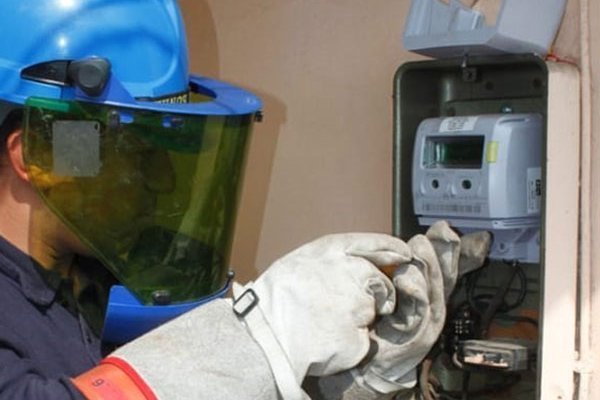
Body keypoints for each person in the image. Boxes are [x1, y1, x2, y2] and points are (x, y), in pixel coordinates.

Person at [0, 1, 491, 399]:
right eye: (134, 152)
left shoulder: (98, 280)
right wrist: (263, 336)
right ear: (42, 155)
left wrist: (331, 374)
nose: (160, 182)